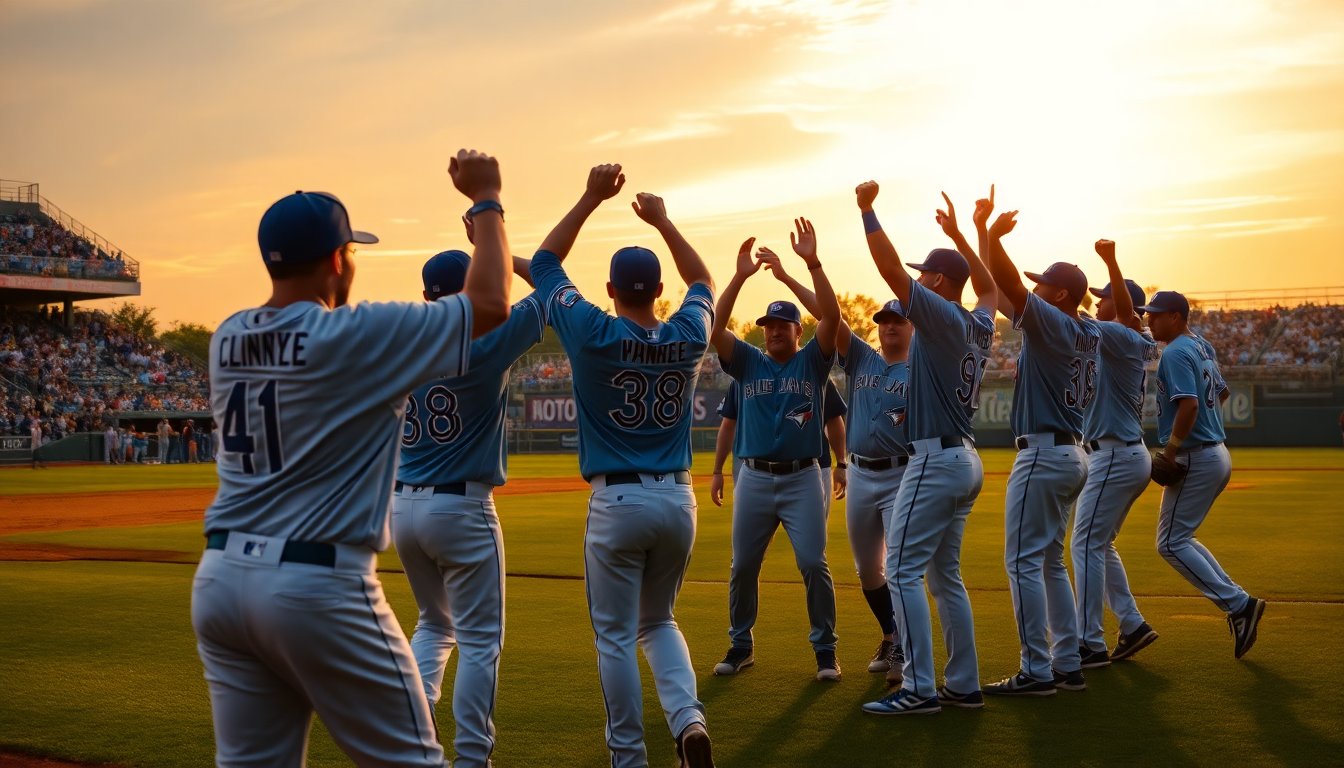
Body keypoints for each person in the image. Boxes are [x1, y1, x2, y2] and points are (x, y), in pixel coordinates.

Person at [191, 149, 513, 767]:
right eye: (352, 253)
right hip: (315, 585)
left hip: (223, 582)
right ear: (338, 260)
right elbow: (491, 305)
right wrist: (487, 197)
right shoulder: (351, 334)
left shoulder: (227, 334)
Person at [391, 163, 622, 768]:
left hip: (403, 504)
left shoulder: (398, 343)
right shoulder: (485, 342)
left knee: (432, 627)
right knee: (479, 642)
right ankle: (471, 758)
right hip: (461, 508)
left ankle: (405, 742)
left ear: (424, 295)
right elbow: (548, 284)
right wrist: (505, 242)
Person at [529, 177, 718, 768]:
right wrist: (662, 221)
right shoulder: (688, 333)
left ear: (609, 288)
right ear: (659, 290)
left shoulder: (592, 329)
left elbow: (544, 262)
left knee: (614, 637)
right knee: (659, 621)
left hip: (618, 501)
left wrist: (589, 197)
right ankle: (689, 723)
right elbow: (704, 282)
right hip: (677, 499)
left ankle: (628, 756)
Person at [857, 186, 996, 715]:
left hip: (935, 460)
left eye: (925, 274)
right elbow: (989, 290)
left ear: (938, 283)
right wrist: (963, 235)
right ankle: (963, 683)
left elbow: (891, 271)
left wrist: (867, 210)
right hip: (963, 458)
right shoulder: (979, 324)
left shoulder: (938, 316)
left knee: (904, 573)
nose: (916, 280)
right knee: (945, 577)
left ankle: (917, 688)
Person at [709, 221, 843, 682]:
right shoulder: (748, 361)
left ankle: (825, 650)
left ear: (797, 329)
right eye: (768, 325)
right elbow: (715, 328)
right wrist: (740, 277)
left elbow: (832, 317)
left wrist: (802, 268)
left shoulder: (812, 360)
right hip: (755, 477)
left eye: (782, 325)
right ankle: (740, 643)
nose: (773, 332)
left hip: (804, 476)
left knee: (812, 562)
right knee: (743, 564)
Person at [980, 200, 1100, 696]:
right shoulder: (1087, 328)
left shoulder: (1056, 322)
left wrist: (994, 237)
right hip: (1072, 453)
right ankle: (1067, 661)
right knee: (1049, 560)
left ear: (1065, 294)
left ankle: (1036, 669)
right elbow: (1008, 295)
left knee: (1023, 562)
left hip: (1044, 454)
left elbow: (1010, 289)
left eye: (1044, 285)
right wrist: (985, 242)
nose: (1035, 289)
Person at [1139, 290, 1266, 659]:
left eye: (1157, 314)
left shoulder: (1177, 352)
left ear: (1177, 317)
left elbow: (1191, 403)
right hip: (1216, 452)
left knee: (1170, 543)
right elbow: (1220, 395)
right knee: (1182, 537)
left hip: (1196, 455)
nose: (1150, 319)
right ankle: (1239, 604)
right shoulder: (1202, 345)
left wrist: (1174, 449)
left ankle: (1238, 604)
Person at [1073, 241, 1160, 665]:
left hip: (1114, 453)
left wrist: (1109, 261)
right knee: (1100, 544)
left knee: (1085, 543)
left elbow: (1117, 315)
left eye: (1104, 297)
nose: (1097, 303)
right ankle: (1132, 623)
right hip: (1123, 451)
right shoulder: (1130, 338)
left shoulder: (1122, 333)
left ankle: (1088, 641)